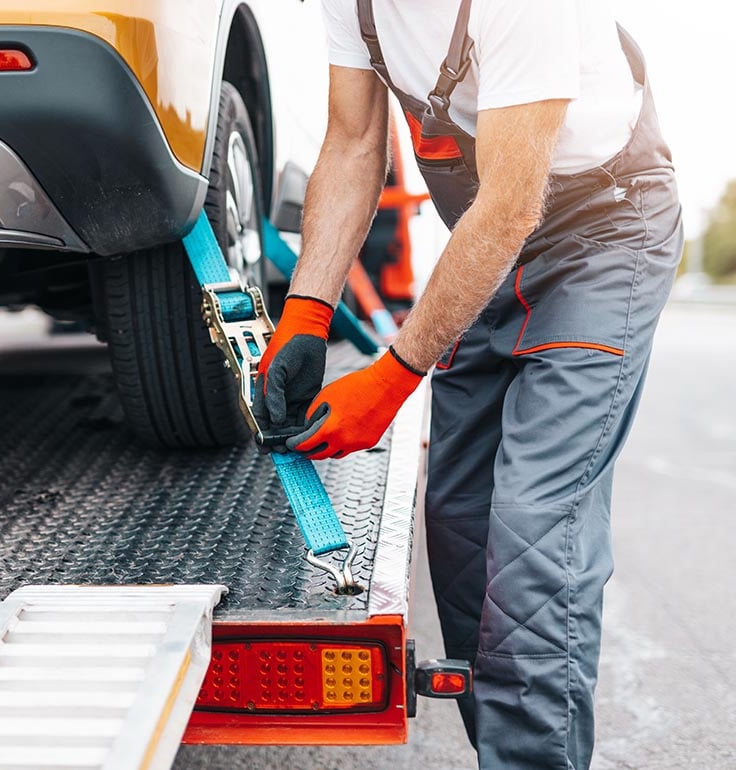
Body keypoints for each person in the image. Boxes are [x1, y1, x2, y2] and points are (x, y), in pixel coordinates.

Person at [253, 1, 682, 768]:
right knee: (462, 529)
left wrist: (390, 382)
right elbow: (354, 145)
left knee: (532, 536)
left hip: (602, 233)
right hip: (490, 243)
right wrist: (306, 314)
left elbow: (514, 202)